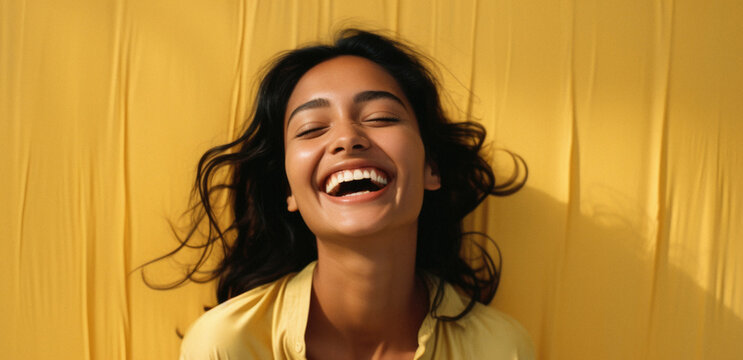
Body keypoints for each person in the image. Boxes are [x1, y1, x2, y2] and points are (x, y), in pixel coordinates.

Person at [151, 28, 533, 359]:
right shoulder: (227, 346)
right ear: (289, 191)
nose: (347, 138)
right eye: (312, 128)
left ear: (431, 168)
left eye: (381, 117)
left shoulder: (500, 349)